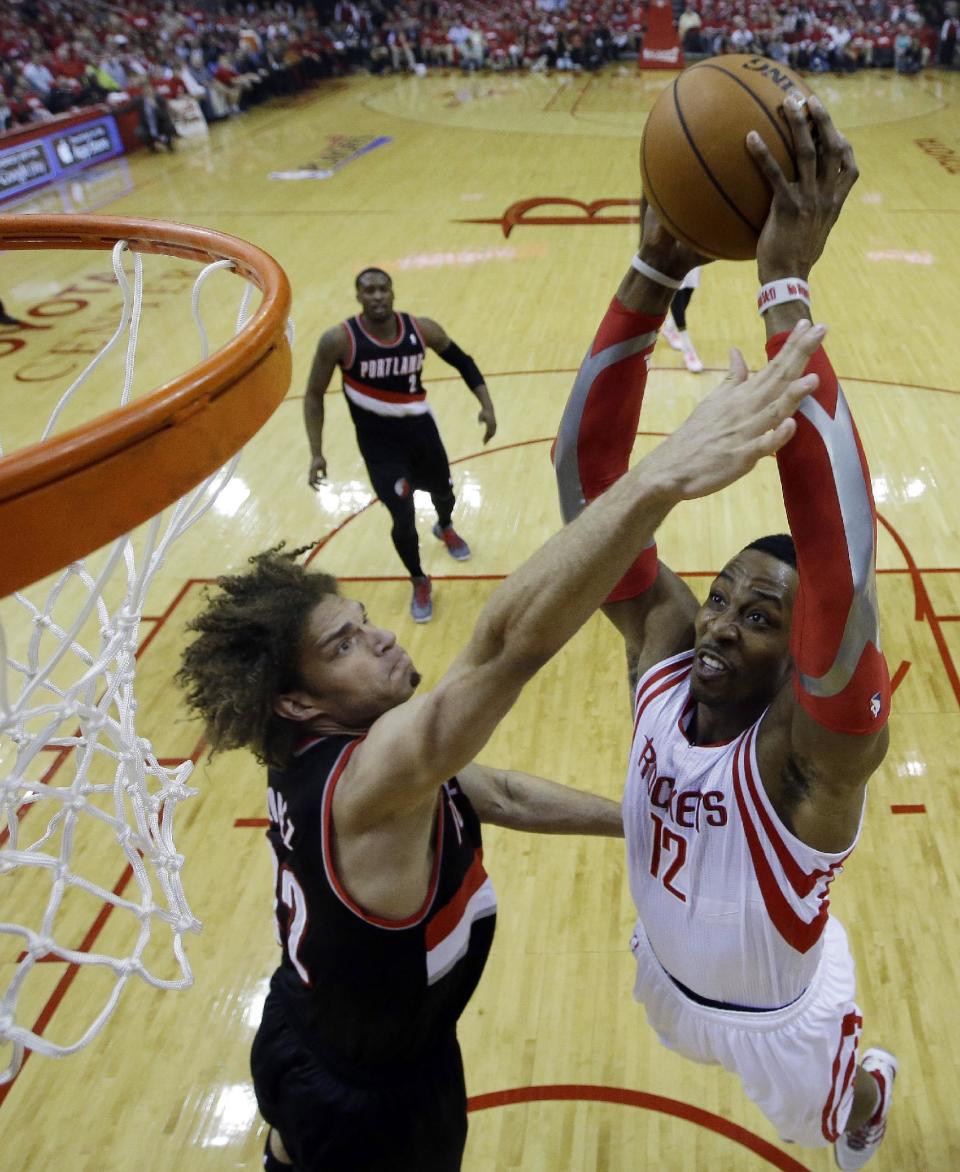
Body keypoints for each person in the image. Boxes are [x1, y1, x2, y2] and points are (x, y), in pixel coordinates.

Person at [178, 315, 825, 1169]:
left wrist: (643, 821)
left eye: (362, 621)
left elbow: (502, 795)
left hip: (338, 1032)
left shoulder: (339, 761)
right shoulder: (374, 776)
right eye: (343, 645)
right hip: (363, 1091)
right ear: (296, 701)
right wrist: (662, 477)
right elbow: (504, 646)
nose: (376, 639)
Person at [554, 96, 895, 1170]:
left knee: (824, 1130)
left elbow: (838, 574)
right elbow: (588, 485)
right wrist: (650, 273)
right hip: (663, 971)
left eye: (760, 620)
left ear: (794, 660)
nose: (718, 624)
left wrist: (786, 293)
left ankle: (862, 1087)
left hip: (782, 1017)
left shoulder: (810, 759)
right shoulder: (663, 655)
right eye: (723, 597)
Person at [304, 268, 497, 624]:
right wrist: (316, 451)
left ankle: (445, 525)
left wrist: (487, 405)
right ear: (358, 297)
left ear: (392, 293)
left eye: (382, 289)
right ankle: (419, 578)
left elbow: (463, 361)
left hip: (422, 435)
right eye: (368, 291)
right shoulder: (339, 340)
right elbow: (314, 395)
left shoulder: (421, 329)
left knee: (445, 493)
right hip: (380, 450)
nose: (376, 296)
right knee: (403, 516)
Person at [661, 266, 704, 373]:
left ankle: (669, 328)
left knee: (688, 290)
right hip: (673, 254)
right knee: (677, 292)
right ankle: (688, 350)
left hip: (694, 252)